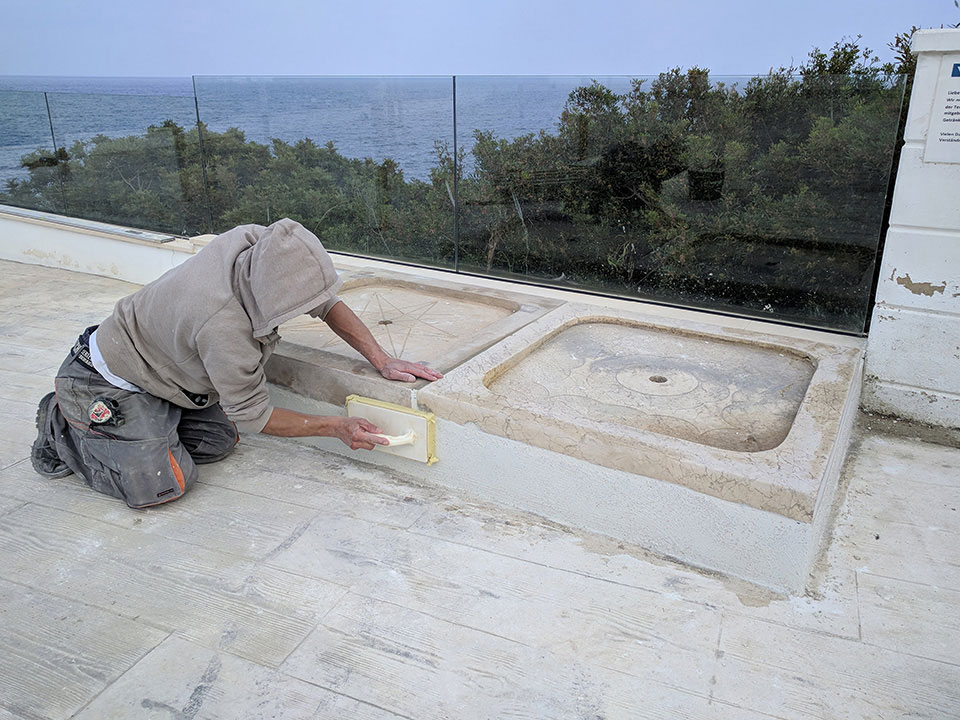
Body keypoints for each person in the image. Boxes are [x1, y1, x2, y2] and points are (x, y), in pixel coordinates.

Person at [30, 218, 443, 508]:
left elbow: (325, 301)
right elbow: (253, 415)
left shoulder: (264, 246)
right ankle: (61, 423)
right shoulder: (224, 328)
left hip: (165, 370)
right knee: (163, 485)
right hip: (106, 377)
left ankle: (151, 420)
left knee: (217, 443)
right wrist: (336, 427)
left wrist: (383, 359)